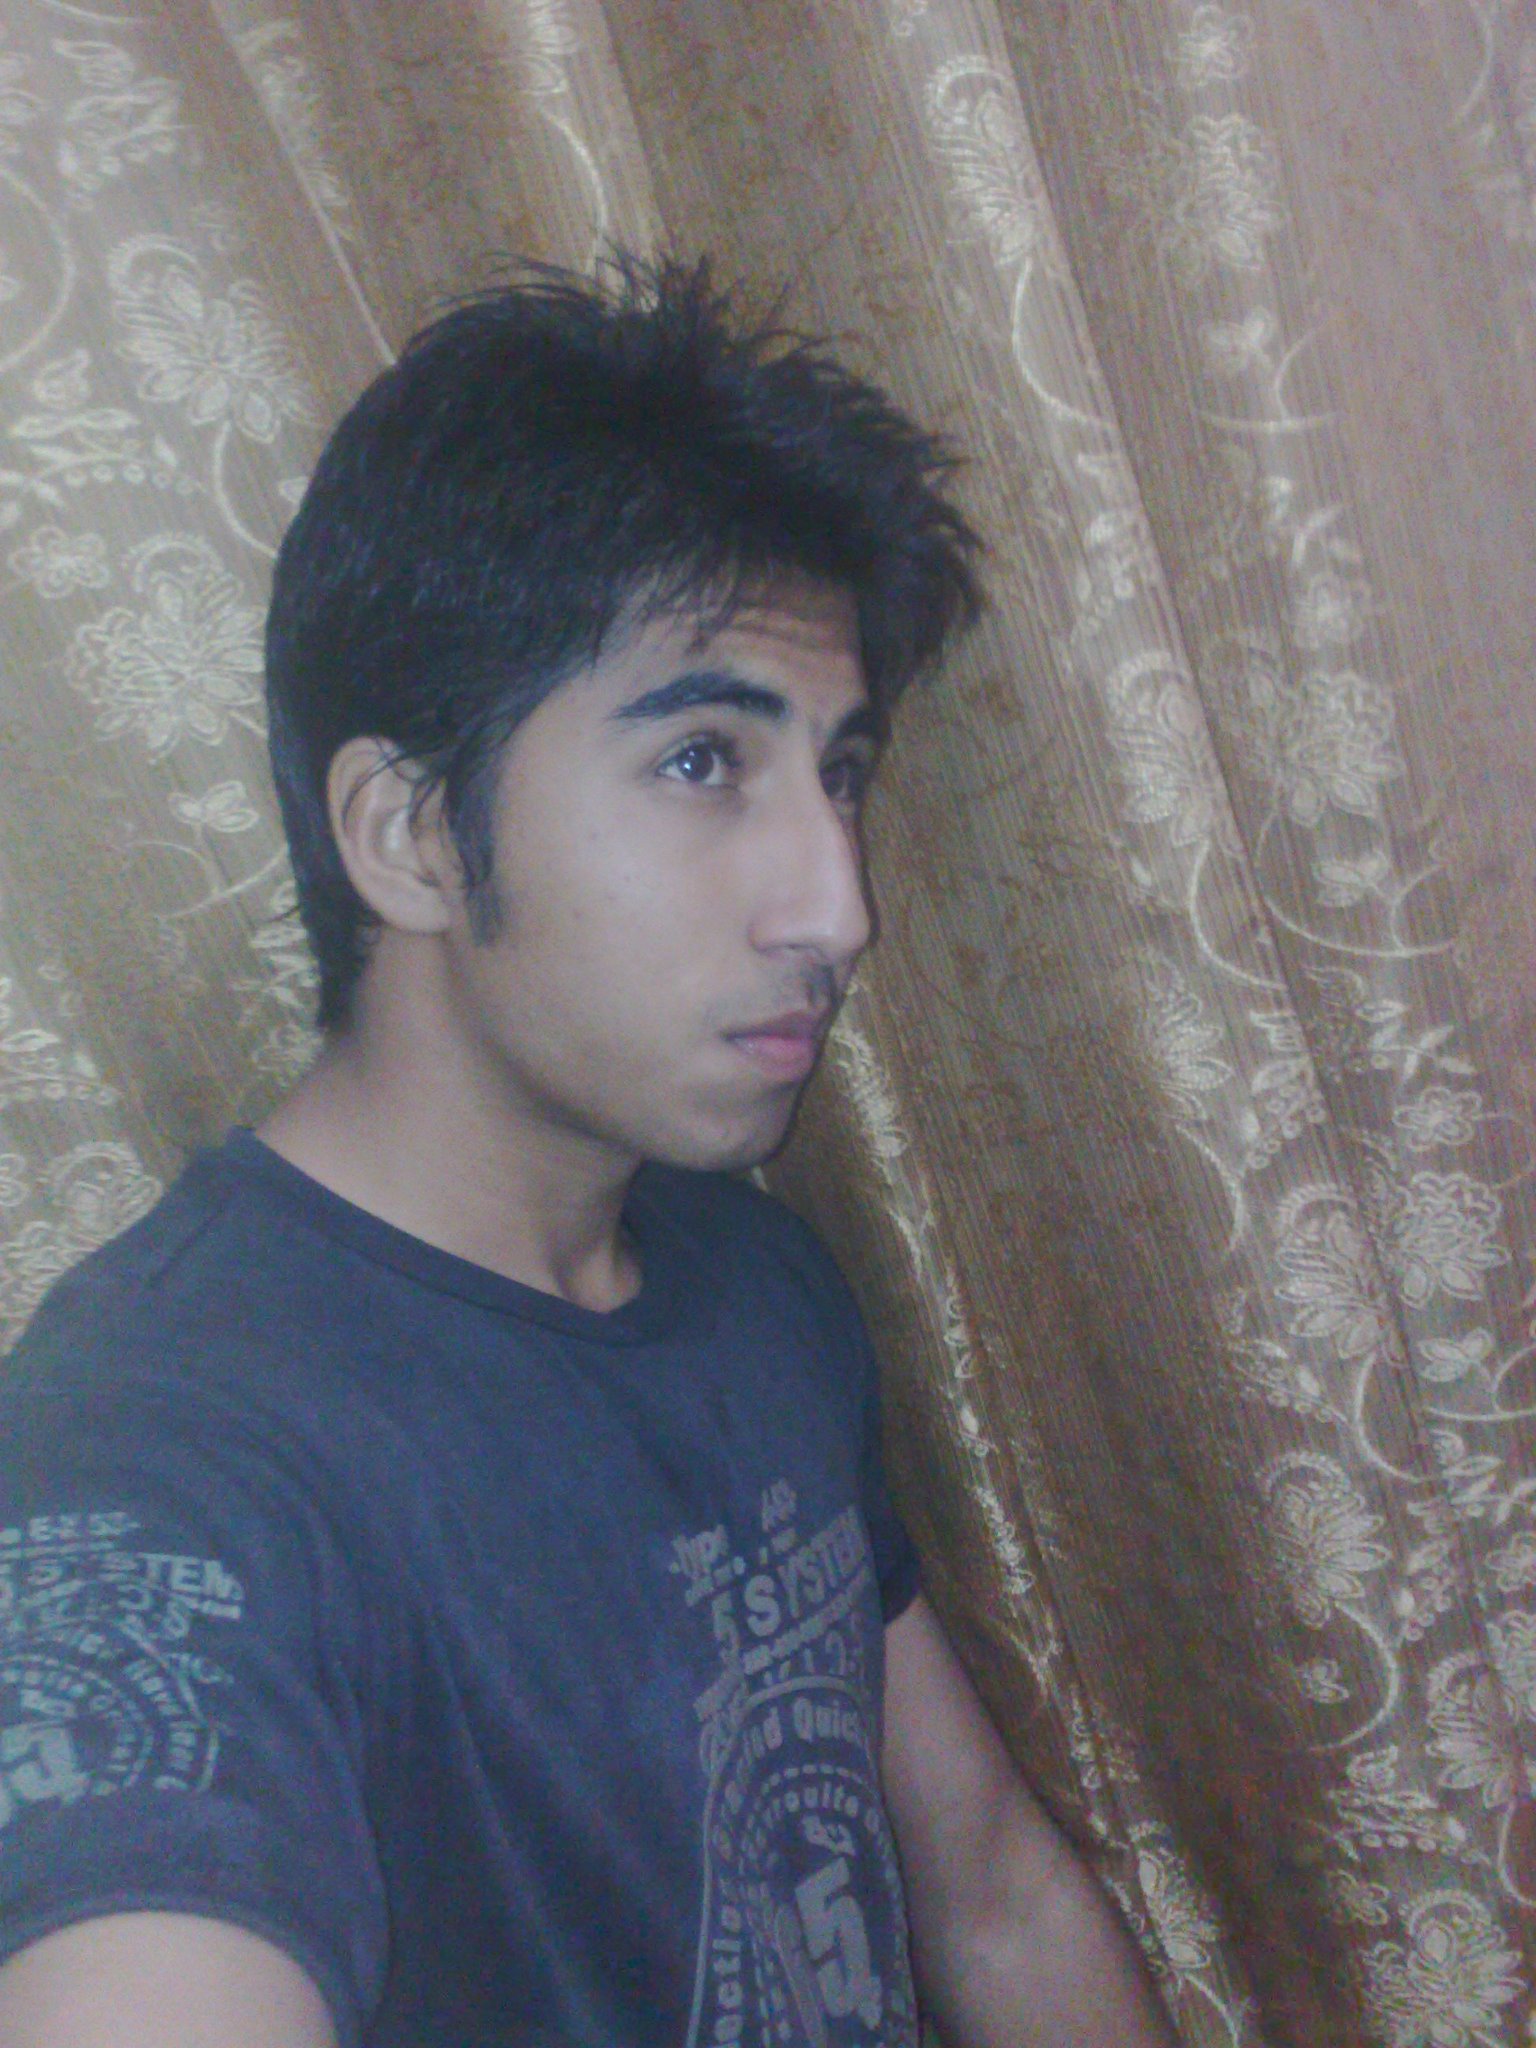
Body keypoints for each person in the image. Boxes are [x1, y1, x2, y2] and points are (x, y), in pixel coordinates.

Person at [0, 259, 1174, 2048]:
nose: (839, 908)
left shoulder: (748, 1272)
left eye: (839, 772)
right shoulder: (159, 1450)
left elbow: (991, 1891)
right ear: (409, 834)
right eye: (704, 761)